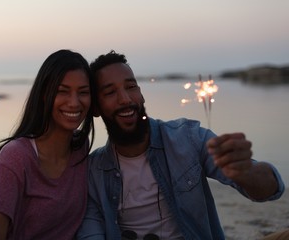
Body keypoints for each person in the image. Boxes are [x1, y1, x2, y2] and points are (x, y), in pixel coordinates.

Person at [77, 50, 285, 240]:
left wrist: (246, 172)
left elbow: (271, 190)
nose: (125, 99)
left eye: (131, 87)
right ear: (96, 107)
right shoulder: (94, 171)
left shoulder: (188, 138)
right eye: (110, 92)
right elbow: (90, 233)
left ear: (141, 93)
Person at [0, 49, 95, 240]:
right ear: (43, 94)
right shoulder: (16, 157)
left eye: (83, 92)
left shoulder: (80, 146)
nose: (74, 102)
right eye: (62, 91)